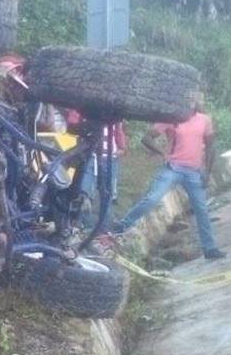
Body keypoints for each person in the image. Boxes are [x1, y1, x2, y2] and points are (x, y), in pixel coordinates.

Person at [108, 99, 225, 259]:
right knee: (152, 199)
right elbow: (147, 138)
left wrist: (207, 172)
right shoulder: (171, 118)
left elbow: (211, 146)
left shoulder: (204, 119)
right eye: (186, 98)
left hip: (194, 172)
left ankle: (210, 249)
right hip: (173, 168)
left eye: (192, 98)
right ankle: (122, 225)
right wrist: (162, 153)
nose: (189, 102)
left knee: (201, 210)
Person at [66, 110, 127, 228]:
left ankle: (104, 226)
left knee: (107, 193)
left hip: (110, 157)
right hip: (90, 155)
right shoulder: (83, 108)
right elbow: (71, 126)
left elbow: (118, 131)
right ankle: (81, 223)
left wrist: (122, 147)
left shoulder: (114, 112)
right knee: (85, 191)